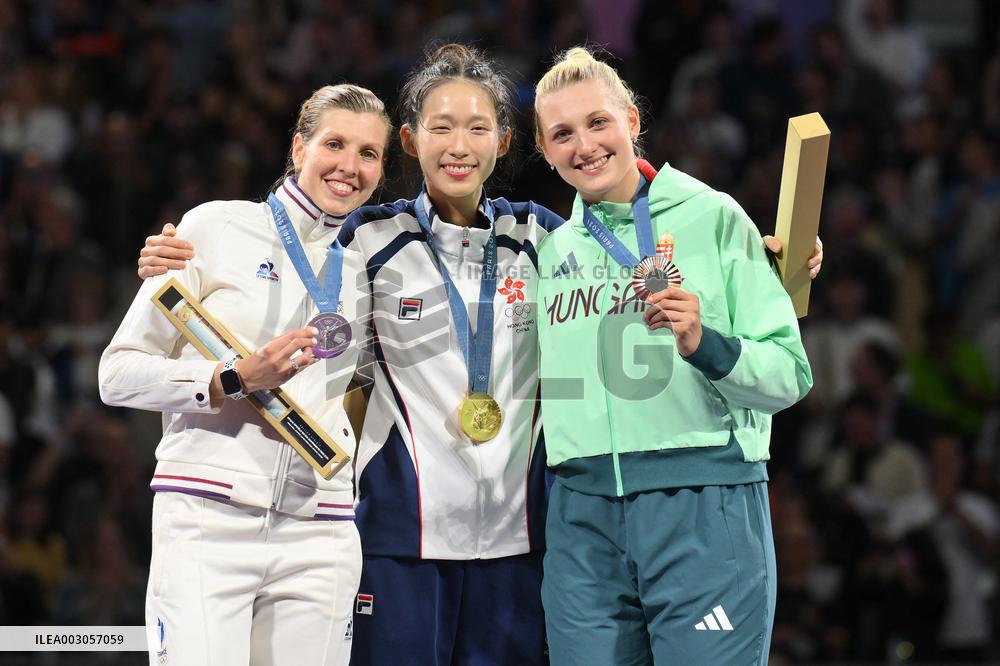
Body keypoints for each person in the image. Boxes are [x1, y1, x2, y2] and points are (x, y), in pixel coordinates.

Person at [137, 45, 823, 666]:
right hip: (398, 542)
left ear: (504, 141)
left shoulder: (545, 240)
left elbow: (621, 244)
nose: (458, 146)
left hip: (522, 545)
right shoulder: (369, 240)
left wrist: (764, 258)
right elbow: (288, 239)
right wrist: (183, 254)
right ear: (409, 141)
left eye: (477, 128)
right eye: (439, 127)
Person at [532, 47, 813, 665]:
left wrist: (705, 344)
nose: (585, 145)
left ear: (632, 121)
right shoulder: (551, 255)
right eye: (562, 134)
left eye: (598, 121)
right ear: (546, 151)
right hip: (581, 521)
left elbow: (789, 373)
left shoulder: (713, 216)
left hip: (703, 501)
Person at [98, 84, 392, 666]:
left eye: (369, 154)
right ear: (297, 147)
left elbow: (364, 395)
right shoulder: (213, 228)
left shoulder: (367, 267)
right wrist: (232, 376)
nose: (350, 167)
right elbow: (117, 374)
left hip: (322, 529)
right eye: (335, 144)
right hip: (208, 516)